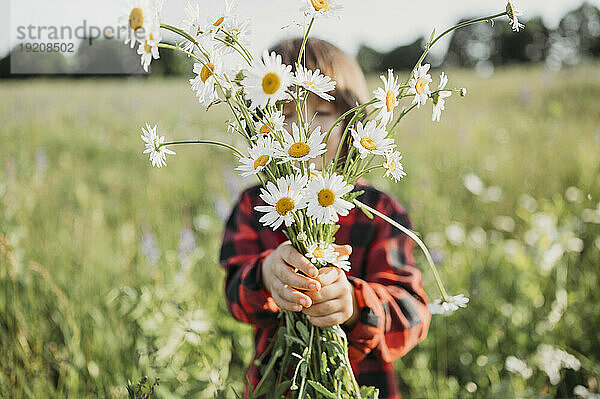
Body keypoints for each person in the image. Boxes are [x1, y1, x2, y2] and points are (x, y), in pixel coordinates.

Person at [219, 38, 431, 399]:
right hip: (277, 386)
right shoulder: (254, 206)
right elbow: (233, 295)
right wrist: (267, 275)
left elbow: (412, 315)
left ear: (352, 121)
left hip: (360, 385)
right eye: (285, 115)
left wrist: (354, 306)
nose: (304, 130)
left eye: (321, 112)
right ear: (262, 125)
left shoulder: (379, 212)